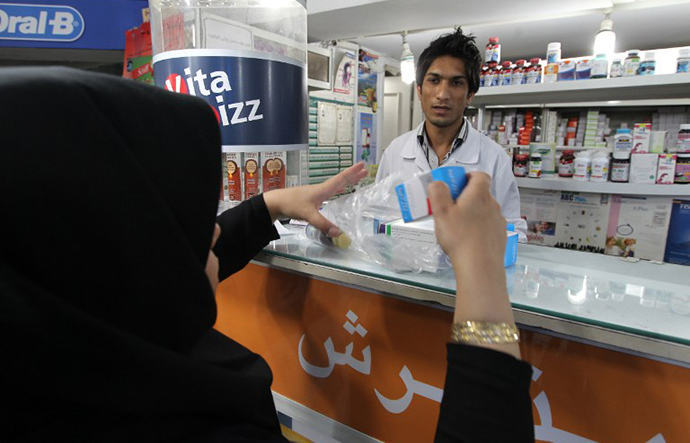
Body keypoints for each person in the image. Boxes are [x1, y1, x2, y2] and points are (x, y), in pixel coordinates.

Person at [0, 67, 533, 442]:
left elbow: (185, 266)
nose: (210, 235)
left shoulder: (58, 353)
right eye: (178, 224)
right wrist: (482, 278)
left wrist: (269, 205)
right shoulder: (193, 420)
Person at [376, 28, 527, 239]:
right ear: (419, 90)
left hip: (466, 272)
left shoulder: (494, 158)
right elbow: (378, 218)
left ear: (470, 95)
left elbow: (514, 232)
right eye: (434, 80)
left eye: (456, 83)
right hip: (402, 268)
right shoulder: (395, 151)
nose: (442, 94)